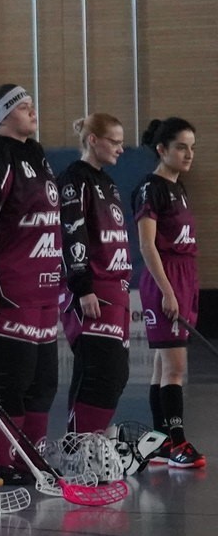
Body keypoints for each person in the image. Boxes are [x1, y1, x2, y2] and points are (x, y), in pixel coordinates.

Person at [0, 83, 60, 487]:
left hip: (45, 289)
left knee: (42, 381)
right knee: (9, 378)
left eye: (32, 104)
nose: (33, 111)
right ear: (1, 117)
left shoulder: (36, 154)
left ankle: (30, 457)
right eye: (24, 107)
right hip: (11, 288)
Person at [58, 113, 133, 436]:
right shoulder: (74, 179)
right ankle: (80, 444)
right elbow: (72, 232)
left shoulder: (108, 182)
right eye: (114, 142)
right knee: (100, 372)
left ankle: (92, 438)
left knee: (116, 375)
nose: (121, 149)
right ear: (93, 140)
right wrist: (82, 286)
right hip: (93, 290)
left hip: (116, 290)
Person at [135, 117, 201, 469]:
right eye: (181, 147)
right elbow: (147, 245)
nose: (188, 154)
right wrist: (168, 291)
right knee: (175, 367)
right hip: (166, 279)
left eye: (192, 147)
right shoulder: (151, 188)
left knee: (163, 366)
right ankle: (178, 443)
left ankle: (160, 443)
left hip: (186, 277)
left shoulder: (180, 188)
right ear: (162, 149)